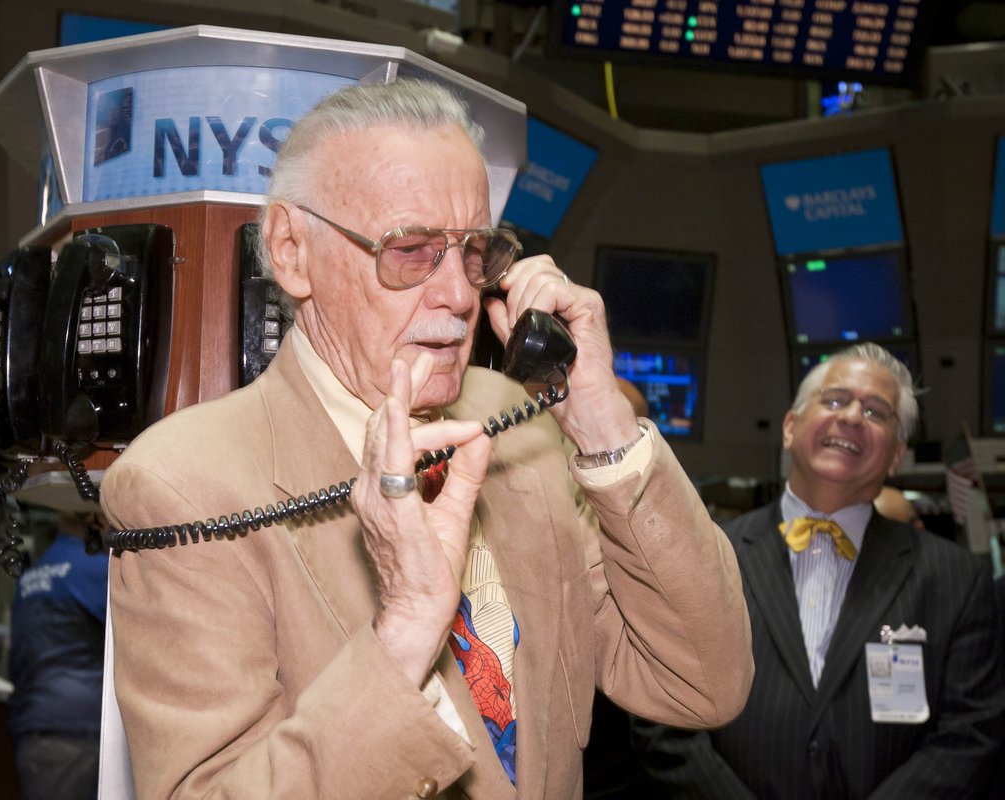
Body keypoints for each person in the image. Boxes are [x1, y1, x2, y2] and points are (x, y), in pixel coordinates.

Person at [99, 79, 752, 799]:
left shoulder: (521, 428)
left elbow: (702, 684)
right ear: (291, 250)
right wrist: (405, 633)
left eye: (474, 252)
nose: (460, 295)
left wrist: (603, 429)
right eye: (410, 251)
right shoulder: (184, 486)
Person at [632, 342, 1005, 799]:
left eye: (876, 411)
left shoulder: (956, 579)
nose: (851, 416)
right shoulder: (705, 553)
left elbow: (970, 734)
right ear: (790, 427)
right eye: (834, 400)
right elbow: (663, 718)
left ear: (895, 455)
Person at [8, 513, 110, 800]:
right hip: (83, 732)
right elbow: (144, 644)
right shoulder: (96, 569)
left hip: (37, 732)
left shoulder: (33, 574)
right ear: (94, 518)